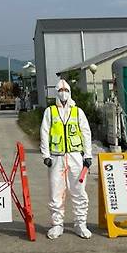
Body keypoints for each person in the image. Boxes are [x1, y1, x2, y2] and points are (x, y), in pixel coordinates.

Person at [40, 79, 93, 240]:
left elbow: (86, 133)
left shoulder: (78, 112)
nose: (63, 92)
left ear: (70, 92)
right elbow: (44, 132)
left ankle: (80, 224)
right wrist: (46, 155)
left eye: (66, 89)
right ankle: (57, 225)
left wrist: (88, 155)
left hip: (76, 156)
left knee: (78, 191)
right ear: (56, 92)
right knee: (56, 191)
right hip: (56, 157)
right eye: (60, 89)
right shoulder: (50, 112)